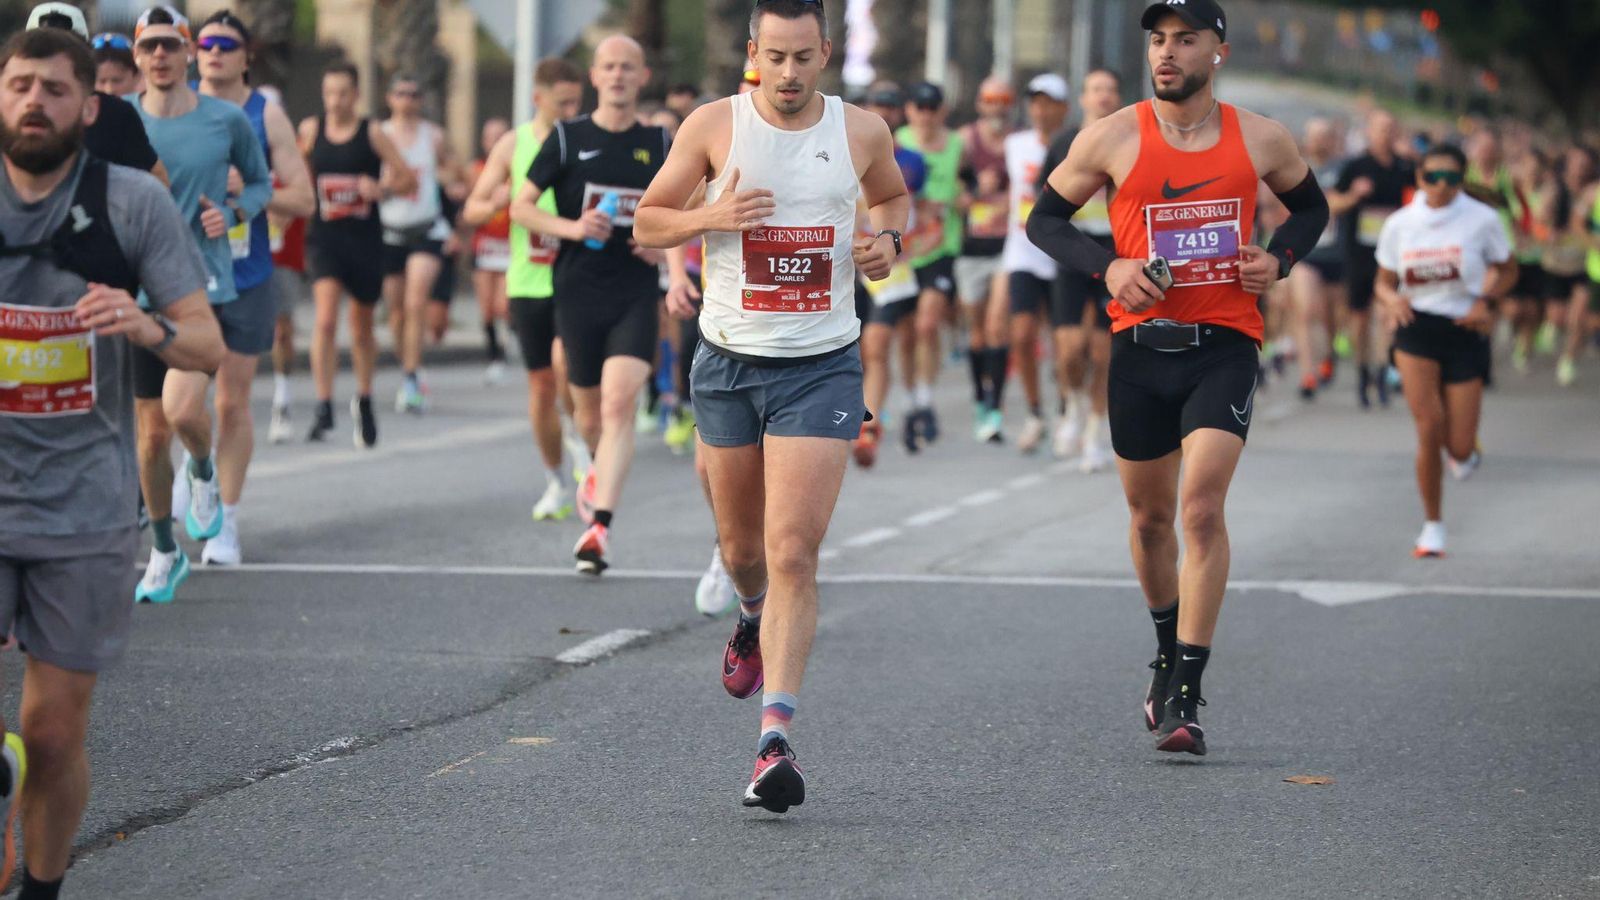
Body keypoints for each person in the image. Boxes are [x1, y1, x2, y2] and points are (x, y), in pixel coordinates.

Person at [1028, 0, 1329, 755]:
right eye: (1158, 40)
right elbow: (1044, 222)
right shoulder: (1112, 136)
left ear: (1216, 51)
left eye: (1184, 40)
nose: (1167, 53)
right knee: (1150, 520)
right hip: (1139, 349)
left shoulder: (1259, 137)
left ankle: (1189, 692)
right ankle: (1166, 648)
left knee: (1199, 509)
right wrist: (1113, 265)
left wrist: (1279, 259)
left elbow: (1310, 208)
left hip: (1224, 342)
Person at [635, 0, 908, 813]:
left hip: (821, 365)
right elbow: (649, 220)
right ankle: (749, 614)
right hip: (727, 362)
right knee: (742, 547)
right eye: (774, 58)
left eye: (803, 57)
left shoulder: (862, 133)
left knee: (792, 550)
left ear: (826, 52)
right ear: (752, 52)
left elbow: (895, 205)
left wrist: (886, 244)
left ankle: (773, 740)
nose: (789, 74)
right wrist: (711, 215)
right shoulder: (713, 127)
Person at [0, 26, 223, 895]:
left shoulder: (130, 202)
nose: (33, 103)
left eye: (54, 90)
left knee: (53, 735)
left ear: (89, 107)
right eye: (19, 85)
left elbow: (204, 343)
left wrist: (147, 328)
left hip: (85, 505)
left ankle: (44, 889)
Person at [511, 35, 679, 574]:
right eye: (609, 66)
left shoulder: (658, 140)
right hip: (578, 291)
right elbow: (521, 208)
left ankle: (599, 527)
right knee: (588, 416)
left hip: (634, 291)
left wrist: (665, 251)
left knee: (617, 404)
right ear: (595, 75)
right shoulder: (566, 138)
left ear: (643, 76)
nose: (619, 75)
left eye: (629, 67)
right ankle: (593, 471)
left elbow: (692, 204)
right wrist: (573, 227)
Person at [128, 5, 272, 602]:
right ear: (137, 57)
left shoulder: (225, 119)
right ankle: (164, 548)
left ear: (187, 53)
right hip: (136, 295)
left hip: (201, 287)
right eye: (149, 47)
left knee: (184, 411)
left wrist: (234, 211)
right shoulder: (121, 120)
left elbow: (262, 184)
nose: (160, 56)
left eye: (170, 45)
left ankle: (205, 471)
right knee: (149, 437)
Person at [195, 9, 315, 565]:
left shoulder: (267, 118)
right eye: (206, 43)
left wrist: (253, 190)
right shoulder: (173, 107)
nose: (214, 52)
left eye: (226, 44)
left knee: (232, 400)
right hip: (184, 276)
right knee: (171, 409)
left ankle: (228, 522)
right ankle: (196, 470)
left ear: (246, 57)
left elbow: (305, 200)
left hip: (247, 273)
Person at [1375, 144, 1515, 558]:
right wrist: (1391, 300)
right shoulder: (1401, 223)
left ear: (1463, 179)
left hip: (1464, 328)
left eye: (1452, 178)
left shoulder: (1482, 219)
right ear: (1419, 177)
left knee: (1457, 446)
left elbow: (1509, 270)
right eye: (1433, 177)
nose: (1441, 186)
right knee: (1428, 426)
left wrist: (1484, 302)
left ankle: (1467, 449)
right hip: (1416, 327)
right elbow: (1383, 281)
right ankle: (1432, 526)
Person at [464, 58, 584, 521]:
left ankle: (577, 432)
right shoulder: (514, 144)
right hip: (528, 281)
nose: (572, 110)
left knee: (566, 366)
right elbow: (473, 208)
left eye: (577, 101)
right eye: (563, 102)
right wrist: (493, 201)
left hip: (577, 279)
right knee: (539, 386)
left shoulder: (584, 140)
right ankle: (556, 478)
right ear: (538, 99)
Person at [297, 61, 416, 446]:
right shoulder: (312, 130)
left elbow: (407, 177)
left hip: (364, 240)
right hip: (326, 239)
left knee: (361, 326)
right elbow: (295, 173)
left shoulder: (373, 133)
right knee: (326, 319)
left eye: (342, 93)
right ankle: (323, 402)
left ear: (356, 95)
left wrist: (380, 188)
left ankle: (364, 397)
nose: (334, 101)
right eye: (329, 93)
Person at [1038, 67, 1123, 470]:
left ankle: (1095, 428)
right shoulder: (1065, 143)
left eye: (1110, 90)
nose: (1103, 96)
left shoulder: (1130, 141)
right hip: (1075, 249)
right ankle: (1072, 404)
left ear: (1117, 98)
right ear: (1084, 99)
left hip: (1117, 252)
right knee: (1070, 349)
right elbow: (1044, 200)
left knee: (1103, 352)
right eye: (1096, 89)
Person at [380, 73, 466, 414]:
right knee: (396, 312)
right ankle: (409, 366)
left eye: (413, 93)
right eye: (400, 93)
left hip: (427, 229)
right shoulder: (380, 135)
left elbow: (455, 172)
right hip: (389, 231)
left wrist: (450, 183)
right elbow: (370, 180)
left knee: (417, 303)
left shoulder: (433, 136)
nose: (407, 99)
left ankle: (412, 377)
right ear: (389, 98)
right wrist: (386, 185)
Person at [853, 81, 926, 468]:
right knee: (857, 348)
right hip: (849, 263)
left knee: (878, 343)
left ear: (900, 114)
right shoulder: (846, 152)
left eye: (890, 105)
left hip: (892, 265)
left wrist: (908, 246)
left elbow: (924, 211)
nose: (882, 110)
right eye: (875, 103)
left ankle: (870, 425)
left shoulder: (912, 160)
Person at [996, 73, 1069, 452]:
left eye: (1048, 102)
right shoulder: (1014, 144)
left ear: (1063, 108)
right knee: (1022, 335)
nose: (1040, 109)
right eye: (1035, 101)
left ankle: (1064, 410)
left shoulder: (1076, 147)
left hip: (1060, 255)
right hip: (1022, 251)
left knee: (1063, 344)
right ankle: (1036, 412)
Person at [26, 6, 167, 188]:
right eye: (42, 49)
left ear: (85, 54)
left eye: (66, 48)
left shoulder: (117, 114)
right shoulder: (8, 108)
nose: (54, 59)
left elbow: (157, 183)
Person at [895, 81, 962, 451]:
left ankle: (925, 394)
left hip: (941, 245)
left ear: (942, 111)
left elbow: (965, 184)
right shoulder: (896, 141)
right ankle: (910, 397)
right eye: (919, 106)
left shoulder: (956, 144)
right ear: (910, 110)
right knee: (906, 332)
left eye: (932, 107)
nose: (925, 114)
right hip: (904, 249)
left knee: (928, 323)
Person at [1336, 109, 1413, 408]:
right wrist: (1354, 195)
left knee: (1386, 314)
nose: (1386, 134)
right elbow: (1331, 203)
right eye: (1380, 129)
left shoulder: (1405, 167)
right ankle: (1362, 371)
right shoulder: (1355, 167)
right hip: (1360, 252)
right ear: (1369, 132)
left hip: (1393, 254)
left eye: (1391, 129)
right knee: (1360, 317)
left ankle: (1382, 372)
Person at [954, 77, 1012, 442]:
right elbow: (951, 187)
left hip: (1007, 247)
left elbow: (1032, 185)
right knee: (976, 332)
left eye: (1003, 100)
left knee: (996, 327)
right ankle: (980, 398)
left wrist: (1008, 201)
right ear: (980, 104)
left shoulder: (1018, 142)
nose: (997, 107)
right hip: (970, 247)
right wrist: (974, 194)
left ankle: (995, 406)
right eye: (990, 100)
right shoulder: (964, 140)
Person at [1289, 117, 1347, 399]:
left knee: (1332, 316)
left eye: (1324, 135)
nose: (1319, 141)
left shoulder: (1344, 169)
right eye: (1314, 135)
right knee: (1306, 310)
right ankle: (1307, 374)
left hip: (1337, 253)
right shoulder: (1294, 168)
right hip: (1307, 252)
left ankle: (1329, 355)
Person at [468, 117, 513, 384]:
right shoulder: (476, 170)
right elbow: (467, 209)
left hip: (509, 244)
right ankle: (494, 356)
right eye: (490, 136)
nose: (496, 141)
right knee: (486, 309)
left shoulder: (518, 167)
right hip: (485, 245)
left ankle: (508, 345)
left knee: (502, 306)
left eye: (501, 135)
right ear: (484, 142)